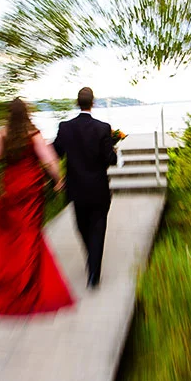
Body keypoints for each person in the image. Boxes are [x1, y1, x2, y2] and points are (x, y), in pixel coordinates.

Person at [0, 98, 74, 315]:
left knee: (15, 233)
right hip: (32, 189)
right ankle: (27, 284)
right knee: (31, 232)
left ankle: (13, 279)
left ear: (8, 114)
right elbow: (48, 160)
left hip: (12, 187)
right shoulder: (34, 134)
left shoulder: (0, 135)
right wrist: (58, 179)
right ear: (27, 113)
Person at [53, 87, 118, 289]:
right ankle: (93, 274)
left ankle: (93, 263)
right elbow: (111, 160)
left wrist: (56, 178)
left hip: (76, 190)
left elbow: (55, 153)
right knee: (97, 229)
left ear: (77, 103)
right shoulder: (103, 128)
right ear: (93, 103)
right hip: (98, 189)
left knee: (82, 228)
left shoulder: (65, 128)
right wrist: (114, 150)